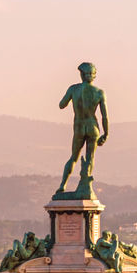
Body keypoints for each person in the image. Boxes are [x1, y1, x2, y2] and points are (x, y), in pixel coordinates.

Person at [57, 62, 109, 196]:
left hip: (79, 126)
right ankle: (85, 184)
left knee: (74, 157)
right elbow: (105, 116)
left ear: (81, 74)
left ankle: (62, 186)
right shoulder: (99, 92)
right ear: (94, 76)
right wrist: (106, 134)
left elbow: (61, 105)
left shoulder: (74, 89)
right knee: (90, 157)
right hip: (93, 126)